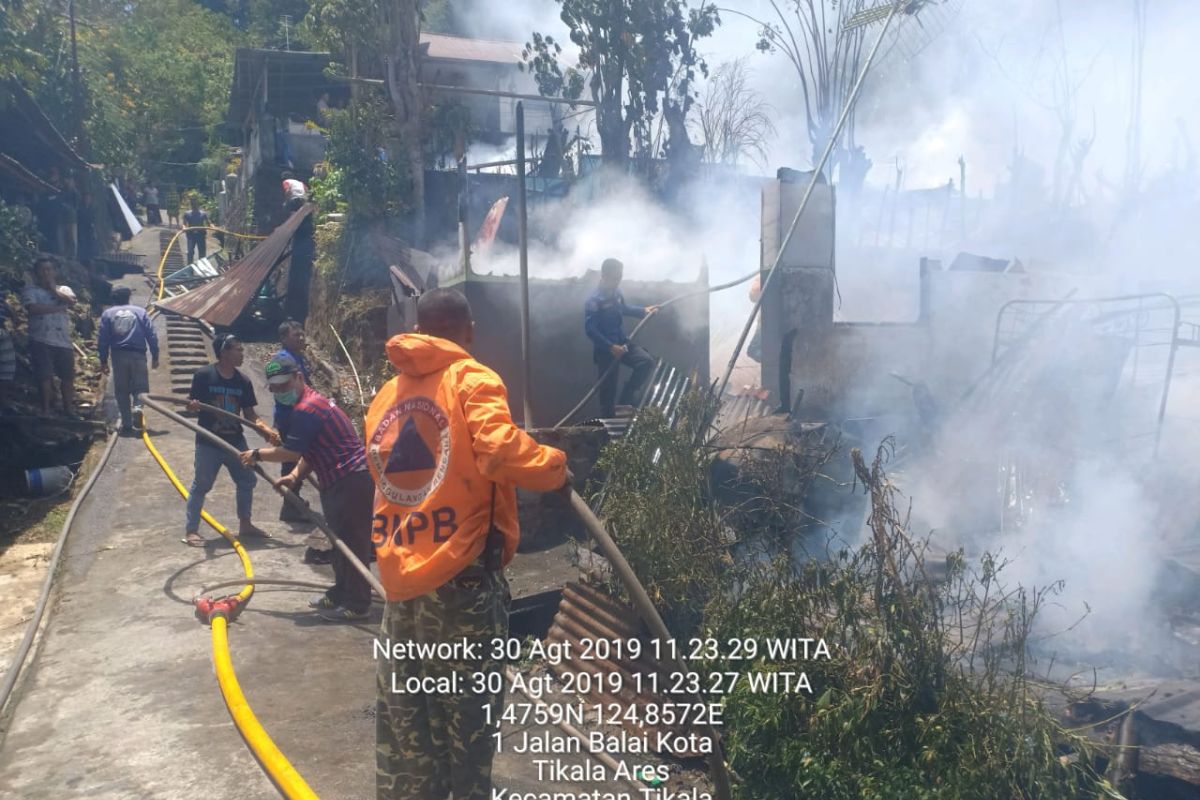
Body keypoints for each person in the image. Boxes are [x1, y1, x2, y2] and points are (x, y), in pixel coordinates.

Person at [367, 288, 571, 800]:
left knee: (408, 733)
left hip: (400, 587)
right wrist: (555, 468)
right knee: (468, 730)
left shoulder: (387, 396)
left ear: (418, 326)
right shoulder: (471, 378)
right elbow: (500, 448)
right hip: (461, 588)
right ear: (469, 329)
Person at [239, 354, 374, 621]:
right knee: (337, 542)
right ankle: (341, 592)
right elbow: (311, 452)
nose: (280, 392)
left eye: (284, 385)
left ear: (299, 377)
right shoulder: (307, 404)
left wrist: (257, 454)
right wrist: (295, 477)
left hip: (350, 480)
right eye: (275, 388)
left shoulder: (308, 408)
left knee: (352, 544)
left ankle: (357, 604)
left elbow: (291, 452)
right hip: (338, 481)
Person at [183, 333, 272, 547]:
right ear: (224, 352)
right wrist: (192, 405)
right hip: (209, 441)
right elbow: (190, 403)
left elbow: (250, 414)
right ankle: (192, 530)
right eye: (238, 349)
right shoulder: (203, 376)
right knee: (202, 484)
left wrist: (265, 429)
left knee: (247, 480)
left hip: (235, 441)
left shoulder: (243, 381)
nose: (242, 353)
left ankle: (245, 524)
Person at [583, 257, 660, 418]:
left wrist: (643, 311)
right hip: (606, 351)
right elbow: (590, 329)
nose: (618, 281)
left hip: (622, 342)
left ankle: (625, 401)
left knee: (645, 362)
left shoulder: (616, 292)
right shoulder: (594, 300)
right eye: (615, 278)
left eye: (620, 277)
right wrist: (610, 347)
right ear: (604, 276)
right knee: (607, 393)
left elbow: (623, 308)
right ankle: (607, 430)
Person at [97, 286, 159, 434]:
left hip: (119, 355)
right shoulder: (140, 312)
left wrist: (103, 360)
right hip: (138, 354)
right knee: (141, 387)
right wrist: (155, 354)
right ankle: (137, 408)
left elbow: (102, 339)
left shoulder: (107, 314)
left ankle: (126, 423)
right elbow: (151, 334)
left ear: (113, 298)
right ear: (128, 297)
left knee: (122, 390)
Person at [21, 256, 77, 416]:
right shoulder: (30, 290)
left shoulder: (64, 289)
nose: (46, 273)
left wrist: (53, 289)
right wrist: (58, 308)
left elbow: (72, 302)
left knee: (67, 377)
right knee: (44, 376)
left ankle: (69, 409)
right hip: (40, 338)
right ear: (36, 273)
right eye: (43, 270)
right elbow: (32, 309)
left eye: (49, 269)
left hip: (63, 341)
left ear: (55, 271)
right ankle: (46, 409)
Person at [272, 319, 311, 522]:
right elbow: (283, 394)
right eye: (295, 335)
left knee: (298, 460)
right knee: (291, 462)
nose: (300, 338)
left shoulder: (297, 357)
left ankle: (293, 500)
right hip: (290, 418)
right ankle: (290, 506)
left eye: (301, 334)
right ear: (283, 338)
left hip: (299, 417)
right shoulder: (281, 360)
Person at [183, 197, 210, 264]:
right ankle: (190, 269)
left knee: (202, 252)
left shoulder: (203, 213)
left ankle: (202, 269)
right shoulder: (187, 214)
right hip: (191, 235)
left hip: (201, 234)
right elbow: (184, 224)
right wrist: (184, 228)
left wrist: (212, 226)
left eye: (195, 204)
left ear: (198, 205)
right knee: (190, 252)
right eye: (193, 204)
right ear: (191, 205)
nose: (194, 205)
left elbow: (209, 223)